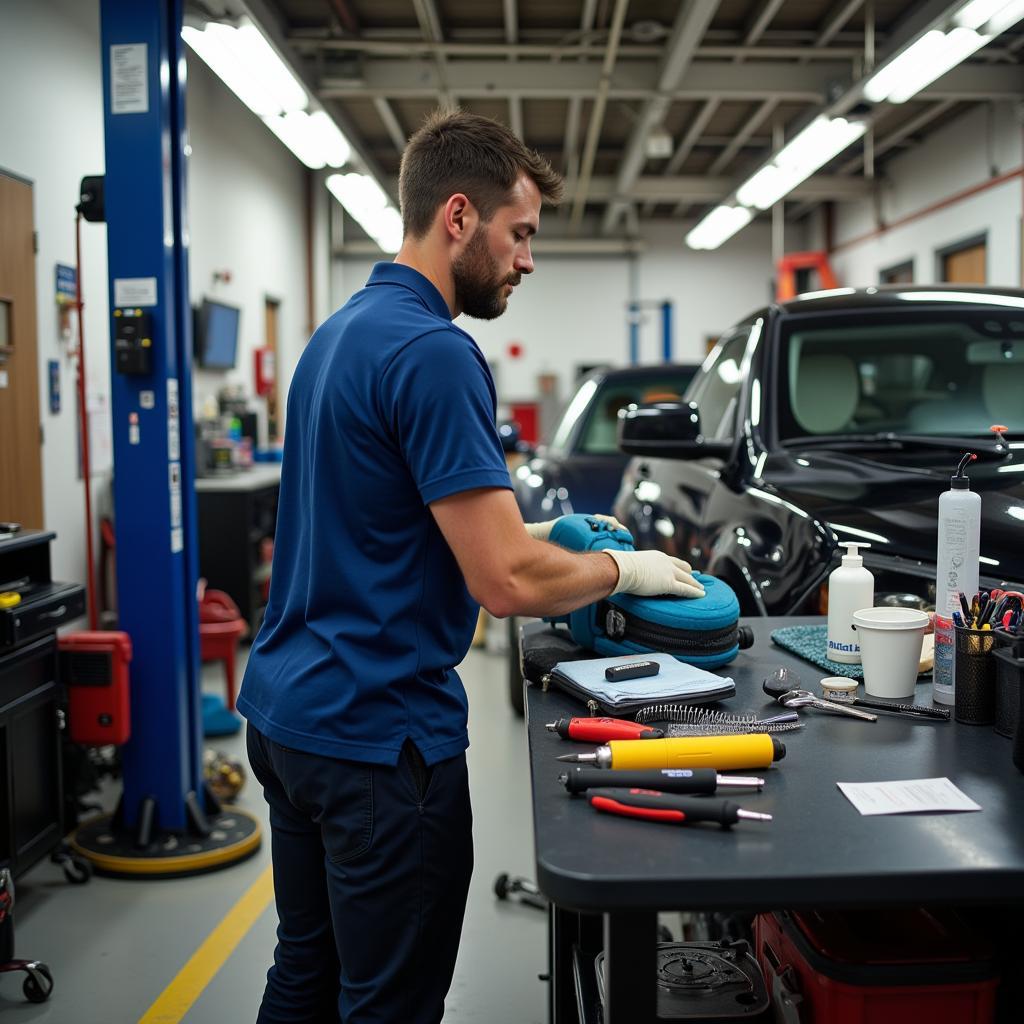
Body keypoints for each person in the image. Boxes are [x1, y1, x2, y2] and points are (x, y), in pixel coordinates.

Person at [236, 110, 704, 1024]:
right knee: (390, 1004)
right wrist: (623, 572)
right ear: (459, 216)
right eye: (519, 233)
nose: (528, 259)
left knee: (306, 976)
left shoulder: (337, 337)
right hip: (380, 740)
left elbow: (399, 519)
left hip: (290, 719)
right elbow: (504, 584)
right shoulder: (437, 352)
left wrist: (548, 538)